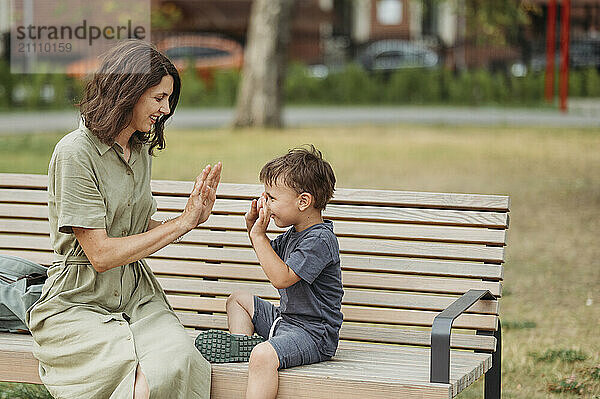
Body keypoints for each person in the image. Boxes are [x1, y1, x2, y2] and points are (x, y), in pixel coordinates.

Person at [25, 40, 221, 399]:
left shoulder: (140, 150)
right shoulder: (75, 153)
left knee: (179, 360)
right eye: (158, 97)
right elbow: (100, 255)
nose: (165, 109)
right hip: (77, 302)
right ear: (127, 93)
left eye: (168, 100)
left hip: (136, 297)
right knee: (135, 381)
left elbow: (139, 231)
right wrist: (181, 224)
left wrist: (189, 219)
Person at [196, 145, 343, 399]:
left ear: (303, 201)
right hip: (285, 321)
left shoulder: (320, 240)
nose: (265, 203)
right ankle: (243, 346)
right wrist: (254, 230)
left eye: (272, 198)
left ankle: (258, 353)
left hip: (314, 334)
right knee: (237, 300)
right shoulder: (294, 234)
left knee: (263, 356)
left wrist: (259, 235)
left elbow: (281, 277)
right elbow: (269, 257)